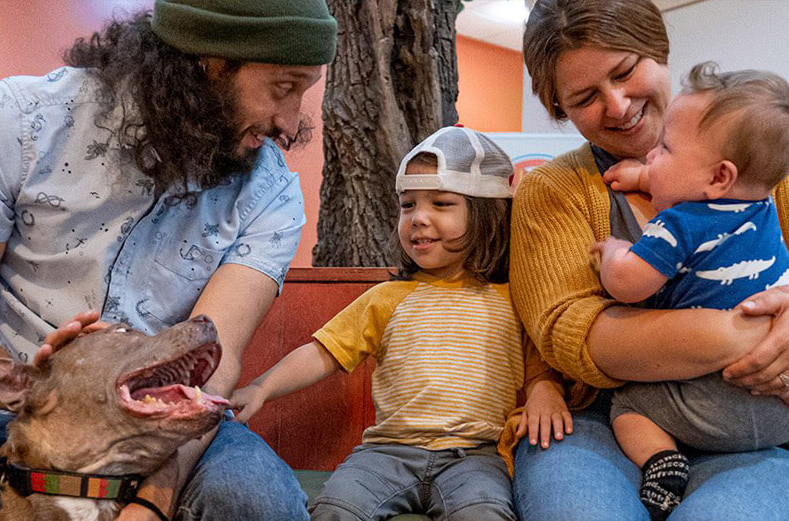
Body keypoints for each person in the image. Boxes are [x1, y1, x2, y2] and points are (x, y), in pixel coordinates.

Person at [0, 1, 337, 520]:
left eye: (304, 92)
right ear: (208, 62)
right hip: (24, 415)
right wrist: (45, 392)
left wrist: (153, 499)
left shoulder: (270, 193)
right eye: (283, 88)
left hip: (177, 419)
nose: (289, 123)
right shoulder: (18, 123)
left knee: (254, 500)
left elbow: (216, 365)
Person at [508, 0, 789, 520]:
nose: (616, 106)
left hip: (751, 422)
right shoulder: (553, 191)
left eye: (624, 71)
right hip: (594, 420)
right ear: (560, 109)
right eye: (586, 97)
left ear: (658, 52)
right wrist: (757, 328)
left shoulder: (766, 163)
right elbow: (577, 336)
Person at [229, 125, 572, 521]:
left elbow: (538, 362)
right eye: (408, 205)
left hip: (477, 456)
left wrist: (546, 390)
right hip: (386, 453)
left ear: (487, 213)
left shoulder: (516, 298)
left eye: (441, 203)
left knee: (485, 514)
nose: (418, 218)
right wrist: (261, 387)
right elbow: (322, 352)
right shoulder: (388, 298)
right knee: (334, 509)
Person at [591, 62, 789, 521]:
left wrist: (613, 253)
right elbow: (689, 180)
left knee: (629, 405)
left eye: (664, 149)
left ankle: (662, 460)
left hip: (709, 402)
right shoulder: (762, 209)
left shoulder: (679, 225)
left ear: (719, 177)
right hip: (776, 404)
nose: (652, 158)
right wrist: (644, 178)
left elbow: (629, 284)